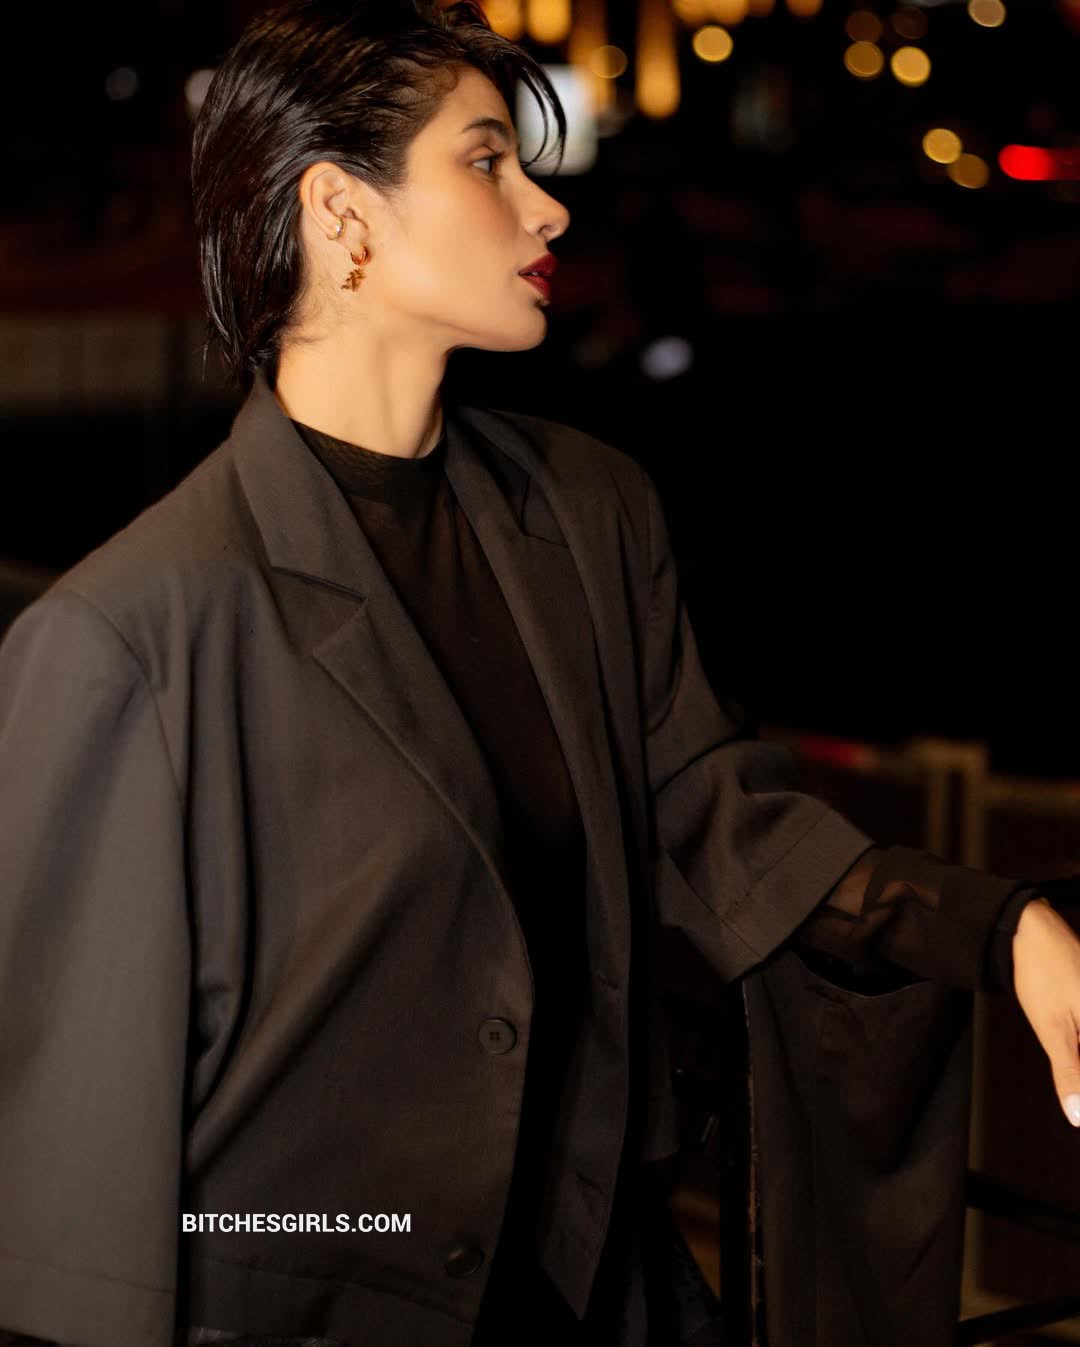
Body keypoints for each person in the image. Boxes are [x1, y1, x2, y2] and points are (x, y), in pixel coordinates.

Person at [3, 3, 1080, 1345]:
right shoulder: (131, 635)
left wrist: (1002, 929)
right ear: (340, 213)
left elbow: (711, 819)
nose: (548, 206)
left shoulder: (588, 509)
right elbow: (76, 1192)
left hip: (599, 1299)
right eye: (486, 160)